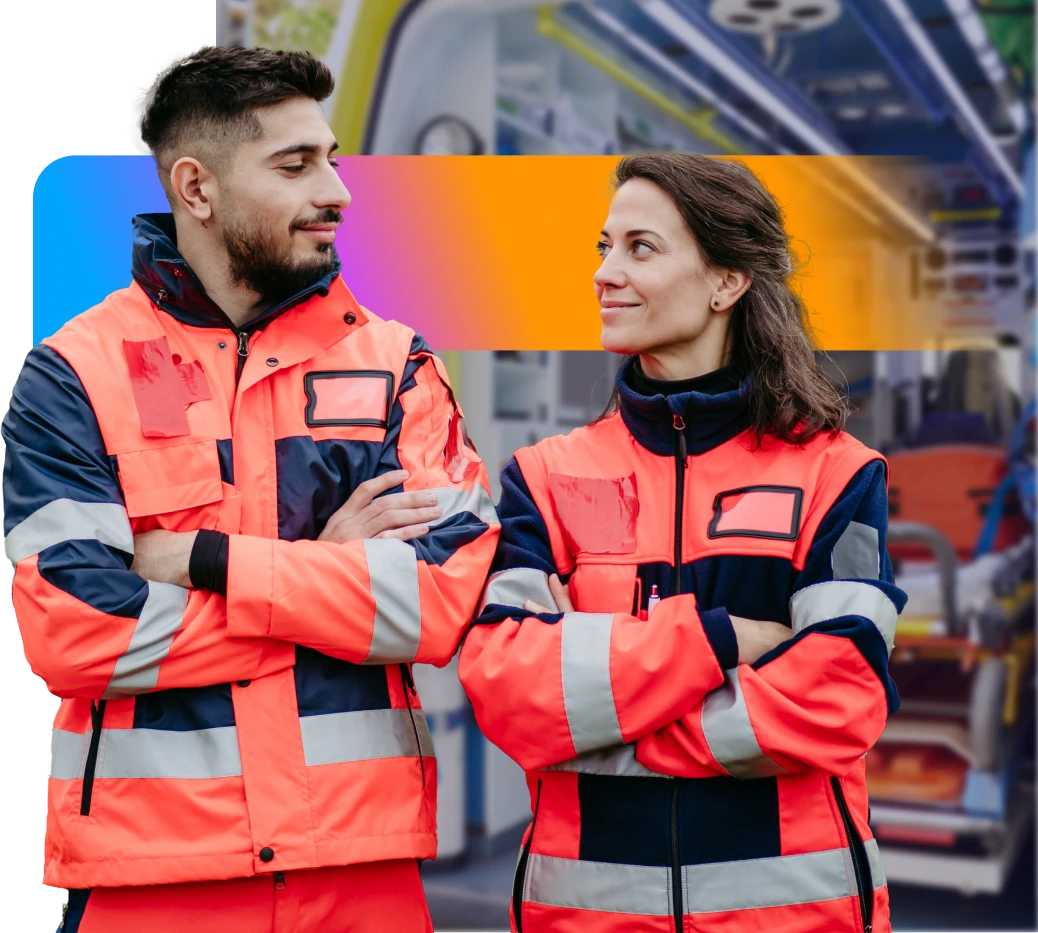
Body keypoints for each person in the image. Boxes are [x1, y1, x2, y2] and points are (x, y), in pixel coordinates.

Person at [4, 43, 498, 933]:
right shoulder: (73, 375)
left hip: (364, 874)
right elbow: (76, 636)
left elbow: (437, 606)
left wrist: (204, 559)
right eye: (296, 164)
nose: (338, 193)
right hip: (151, 882)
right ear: (196, 188)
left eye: (334, 159)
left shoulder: (398, 364)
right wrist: (324, 578)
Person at [459, 153, 906, 933]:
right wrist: (717, 638)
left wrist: (602, 727)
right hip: (588, 916)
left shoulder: (836, 476)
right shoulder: (545, 478)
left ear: (725, 282)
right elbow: (508, 690)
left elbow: (838, 697)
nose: (604, 272)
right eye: (604, 246)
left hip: (791, 914)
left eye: (640, 248)